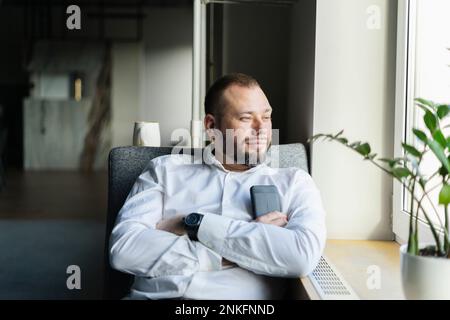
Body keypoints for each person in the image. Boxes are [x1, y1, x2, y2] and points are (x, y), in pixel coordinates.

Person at [109, 73, 326, 299]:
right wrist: (250, 238)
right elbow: (123, 250)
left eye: (267, 116)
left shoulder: (294, 183)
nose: (262, 129)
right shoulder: (164, 170)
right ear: (212, 126)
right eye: (245, 118)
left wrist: (195, 223)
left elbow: (301, 257)